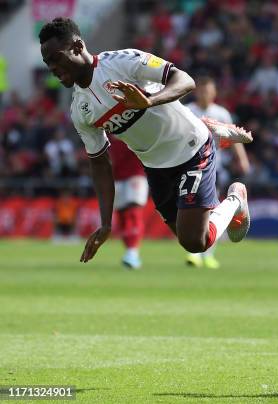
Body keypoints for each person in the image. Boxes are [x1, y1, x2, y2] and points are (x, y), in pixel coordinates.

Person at [39, 17, 253, 264]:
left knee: (196, 241)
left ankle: (236, 197)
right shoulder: (79, 109)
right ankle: (209, 126)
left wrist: (150, 100)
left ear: (77, 47)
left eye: (56, 58)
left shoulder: (122, 62)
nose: (52, 68)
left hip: (191, 147)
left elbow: (185, 80)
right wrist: (106, 224)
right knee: (188, 241)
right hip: (155, 166)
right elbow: (99, 163)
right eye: (47, 63)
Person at [184, 76, 250, 269]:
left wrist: (243, 160)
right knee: (189, 209)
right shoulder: (188, 111)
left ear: (214, 93)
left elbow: (234, 137)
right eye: (202, 90)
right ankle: (193, 253)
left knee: (211, 210)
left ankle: (208, 254)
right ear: (197, 92)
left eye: (208, 90)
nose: (204, 93)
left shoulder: (221, 113)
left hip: (213, 169)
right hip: (188, 167)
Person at [109, 136, 147, 269]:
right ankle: (129, 252)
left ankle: (133, 252)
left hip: (136, 175)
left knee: (133, 212)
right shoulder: (107, 135)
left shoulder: (133, 126)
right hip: (117, 178)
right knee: (122, 216)